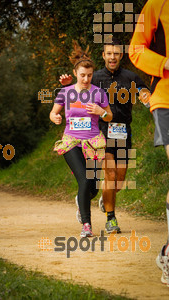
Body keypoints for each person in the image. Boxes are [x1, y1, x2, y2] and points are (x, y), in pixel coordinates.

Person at [60, 37, 149, 234]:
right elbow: (76, 88)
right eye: (109, 53)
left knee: (118, 180)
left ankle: (105, 199)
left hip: (124, 132)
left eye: (116, 53)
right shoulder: (95, 77)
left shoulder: (131, 77)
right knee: (109, 175)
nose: (112, 57)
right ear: (103, 55)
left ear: (121, 55)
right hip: (101, 133)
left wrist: (146, 97)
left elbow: (144, 91)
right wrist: (67, 84)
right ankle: (111, 218)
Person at [50, 42, 112, 237]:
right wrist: (56, 118)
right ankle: (87, 225)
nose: (86, 79)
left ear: (93, 74)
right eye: (82, 75)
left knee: (92, 187)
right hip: (71, 142)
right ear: (76, 73)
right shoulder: (65, 93)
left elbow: (109, 116)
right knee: (84, 181)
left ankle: (81, 201)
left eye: (89, 75)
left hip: (93, 142)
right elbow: (53, 113)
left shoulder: (98, 93)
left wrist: (102, 112)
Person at [129, 0, 169, 286]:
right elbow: (136, 48)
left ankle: (166, 249)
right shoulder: (158, 4)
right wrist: (164, 63)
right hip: (167, 97)